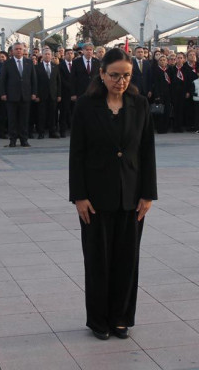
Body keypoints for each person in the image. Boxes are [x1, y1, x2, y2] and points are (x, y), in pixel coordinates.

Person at [69, 48, 157, 340]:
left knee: (126, 261)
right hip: (94, 199)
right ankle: (98, 320)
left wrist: (148, 194)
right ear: (102, 74)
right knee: (97, 261)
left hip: (132, 197)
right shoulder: (85, 106)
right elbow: (77, 154)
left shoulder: (140, 105)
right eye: (115, 75)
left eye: (126, 76)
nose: (120, 81)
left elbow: (147, 152)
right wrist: (79, 196)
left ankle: (121, 317)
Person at [0, 42, 37, 147]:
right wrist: (3, 93)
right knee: (12, 120)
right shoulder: (7, 63)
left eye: (20, 49)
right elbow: (2, 80)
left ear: (23, 50)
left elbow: (33, 79)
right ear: (12, 51)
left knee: (24, 119)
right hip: (11, 96)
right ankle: (12, 140)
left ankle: (24, 140)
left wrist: (34, 92)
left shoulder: (29, 63)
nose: (19, 51)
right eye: (16, 49)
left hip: (25, 95)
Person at [34, 49, 61, 139]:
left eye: (49, 54)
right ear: (42, 56)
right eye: (45, 54)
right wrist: (36, 95)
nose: (47, 56)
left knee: (53, 115)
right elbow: (35, 82)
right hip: (42, 96)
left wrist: (59, 95)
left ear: (51, 55)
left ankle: (52, 132)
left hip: (53, 95)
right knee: (41, 115)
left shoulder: (55, 66)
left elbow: (58, 82)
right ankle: (41, 132)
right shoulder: (38, 67)